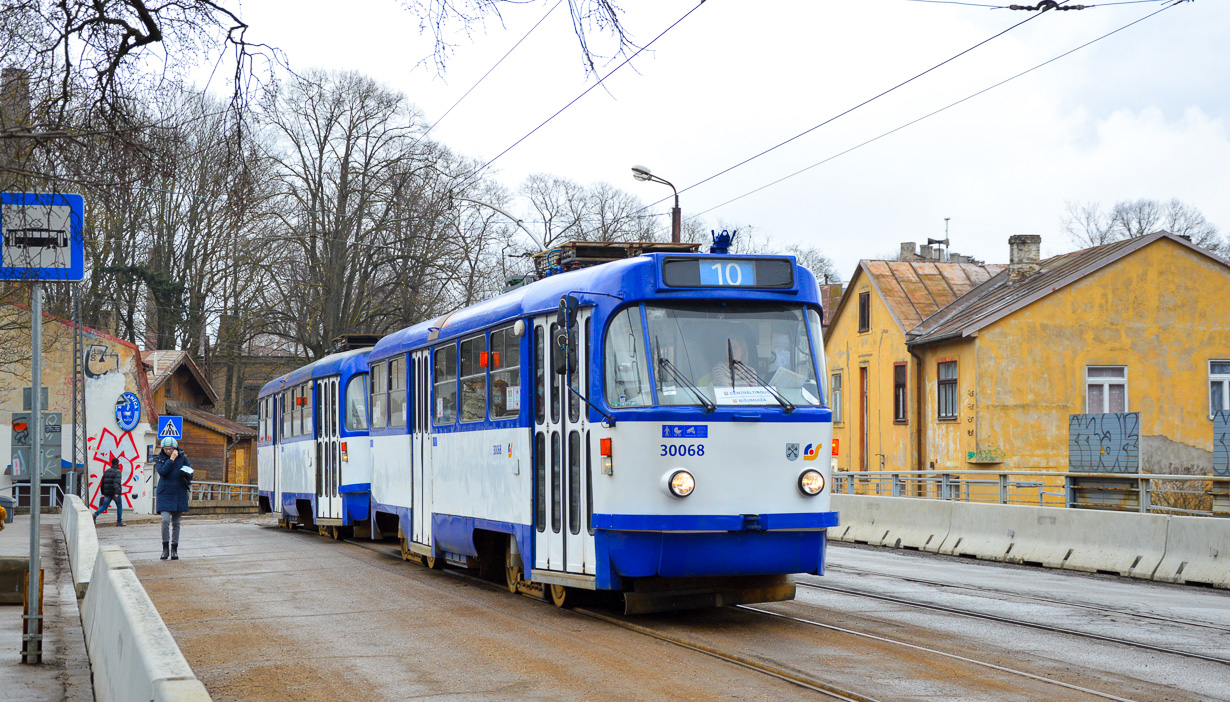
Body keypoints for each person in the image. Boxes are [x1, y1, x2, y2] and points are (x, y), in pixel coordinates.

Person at [154, 437, 192, 561]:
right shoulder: (159, 458)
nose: (168, 451)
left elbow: (190, 471)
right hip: (165, 493)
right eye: (166, 449)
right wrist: (171, 459)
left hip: (179, 493)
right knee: (165, 520)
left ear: (175, 448)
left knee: (176, 523)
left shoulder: (182, 457)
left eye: (170, 449)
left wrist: (186, 474)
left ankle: (174, 550)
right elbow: (163, 472)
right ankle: (165, 549)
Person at [92, 456, 126, 526]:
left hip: (107, 492)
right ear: (117, 463)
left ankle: (95, 514)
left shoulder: (106, 471)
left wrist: (103, 492)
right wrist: (117, 492)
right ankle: (119, 522)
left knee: (105, 506)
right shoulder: (118, 472)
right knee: (119, 506)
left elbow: (103, 482)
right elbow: (116, 482)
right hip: (115, 492)